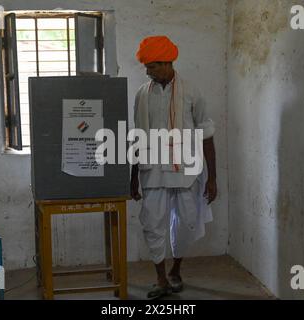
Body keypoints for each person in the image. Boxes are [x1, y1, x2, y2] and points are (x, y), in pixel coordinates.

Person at [131, 35, 218, 299]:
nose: (148, 71)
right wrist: (132, 177)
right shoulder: (142, 94)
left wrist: (212, 179)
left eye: (153, 66)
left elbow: (207, 134)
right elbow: (138, 135)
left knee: (185, 224)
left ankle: (176, 271)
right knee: (152, 224)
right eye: (146, 67)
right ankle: (160, 278)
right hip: (152, 170)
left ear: (168, 63)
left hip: (186, 171)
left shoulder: (191, 92)